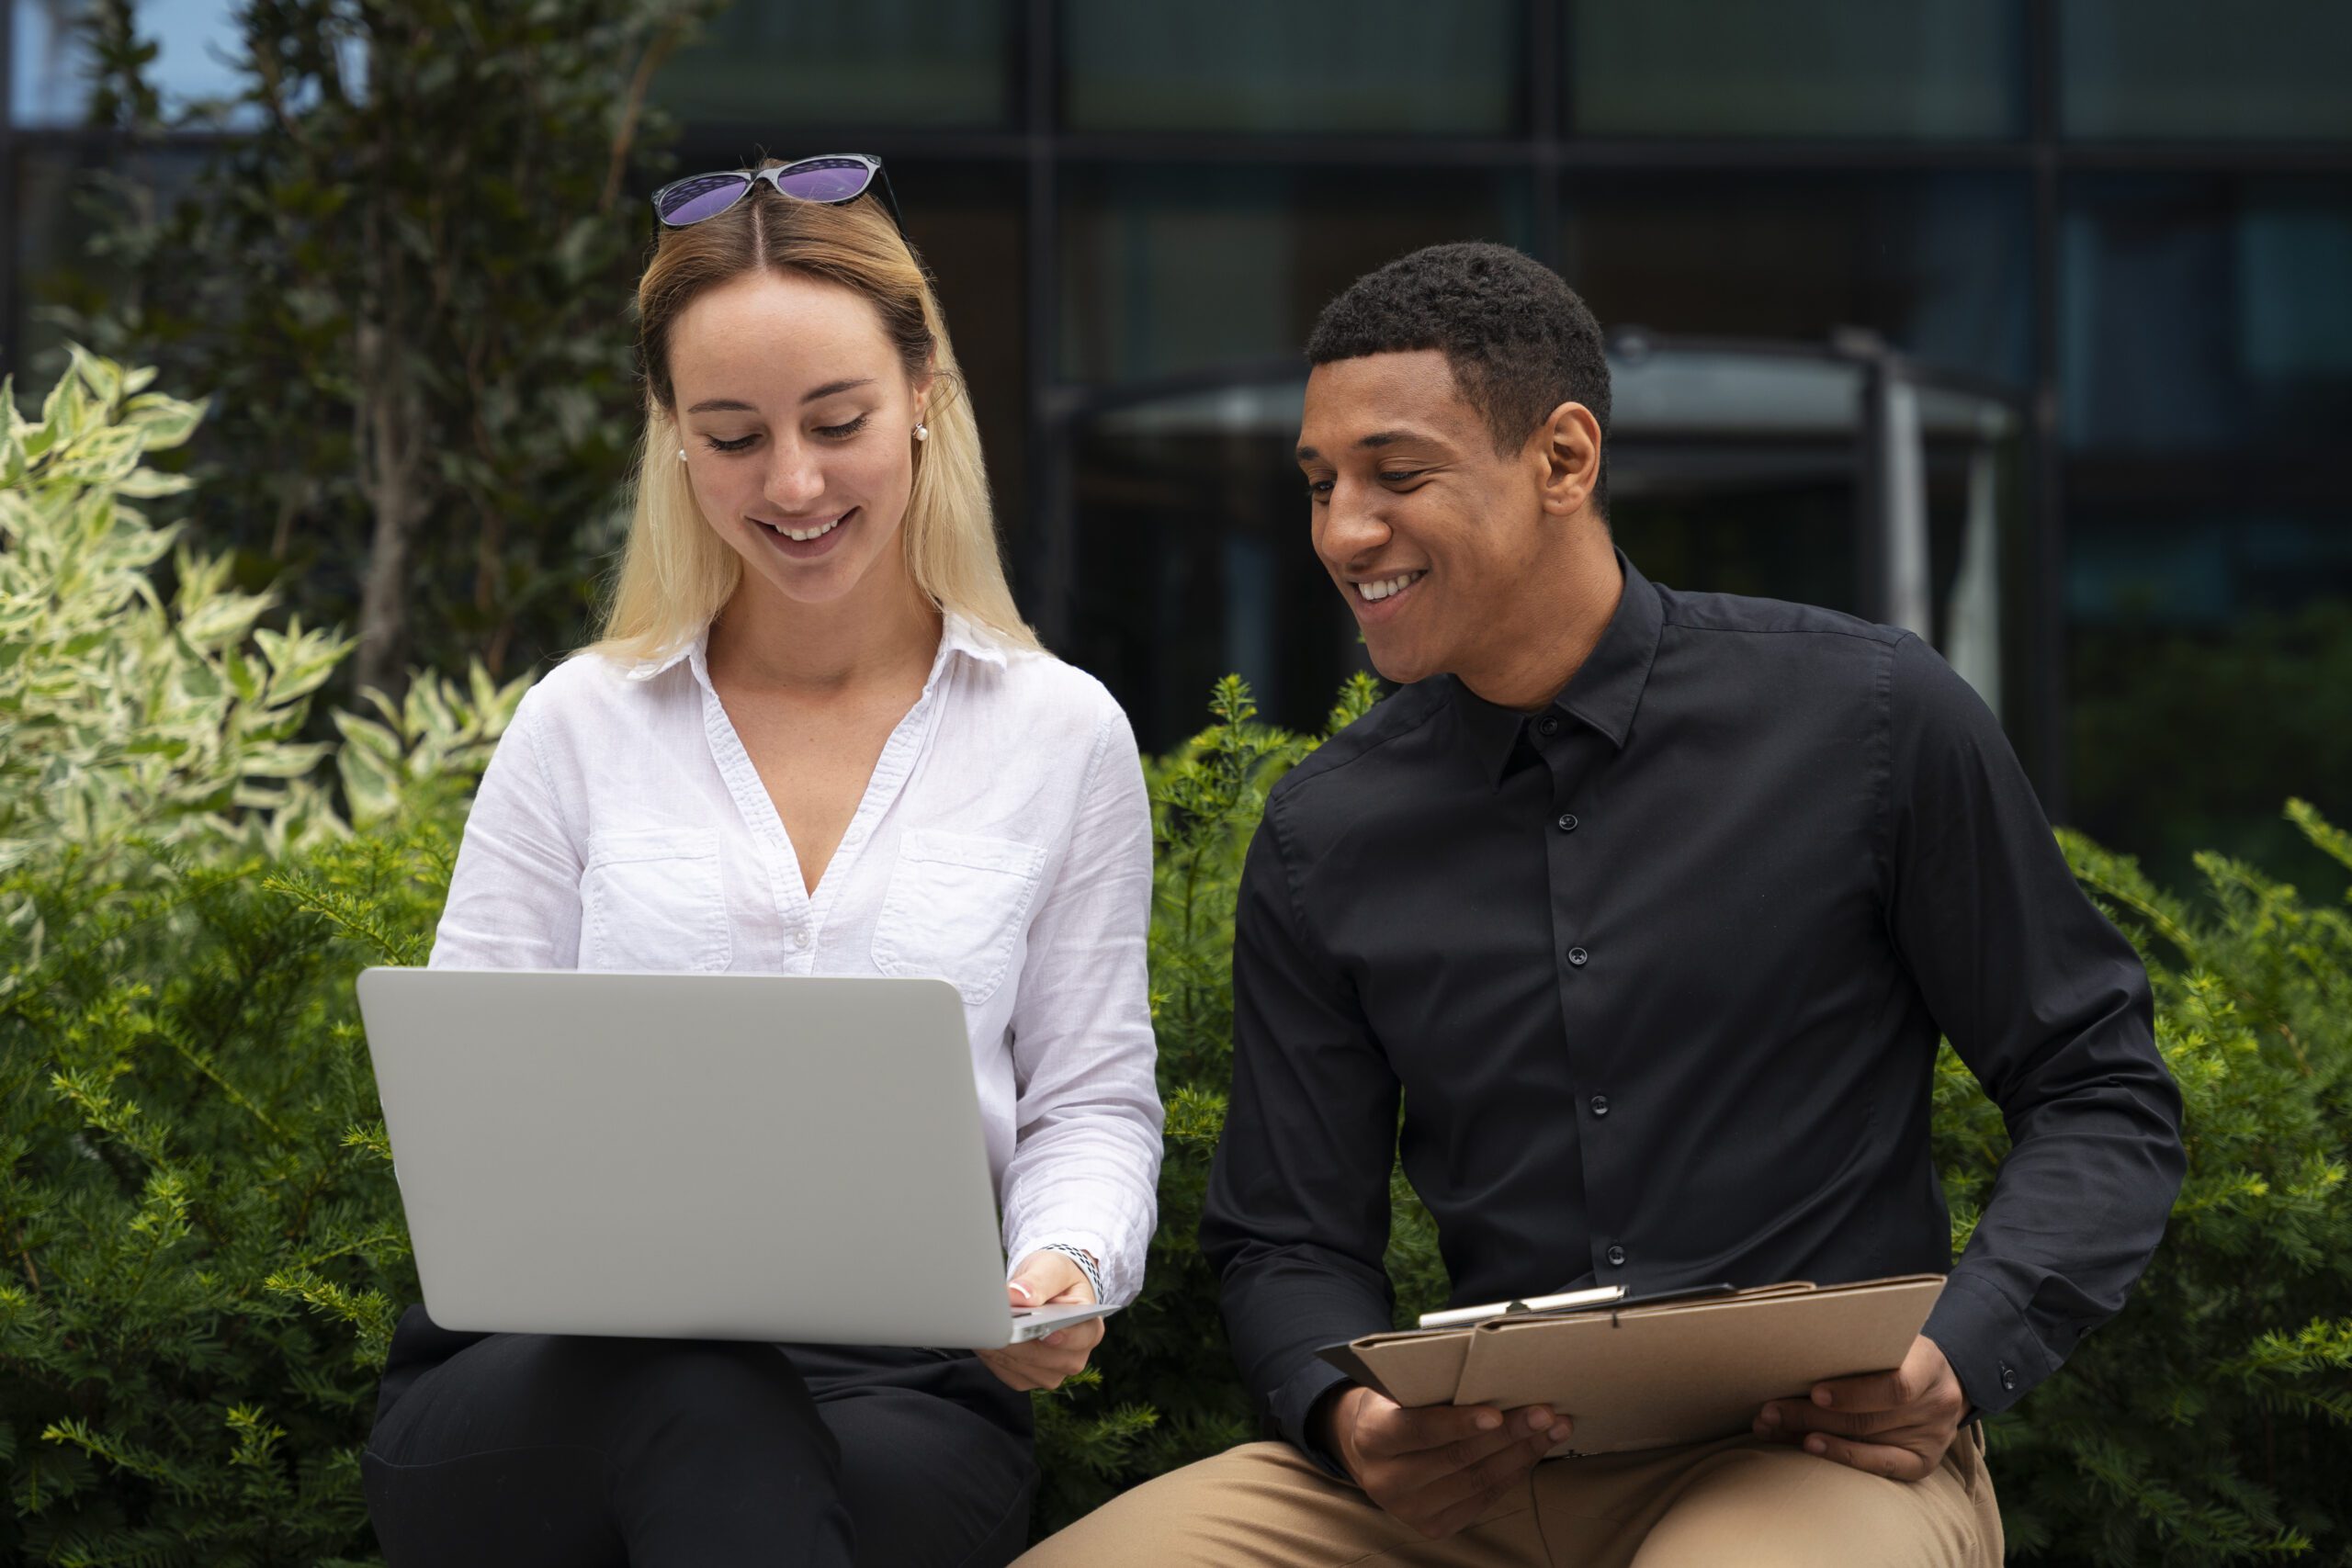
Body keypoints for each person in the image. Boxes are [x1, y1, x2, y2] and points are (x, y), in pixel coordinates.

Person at [1016, 243, 2184, 1567]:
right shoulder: (1324, 832)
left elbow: (2099, 1087)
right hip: (1468, 1486)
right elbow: (1286, 1238)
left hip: (1812, 1463)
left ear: (1564, 462)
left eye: (1398, 475)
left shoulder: (1871, 721)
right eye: (1321, 484)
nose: (1344, 529)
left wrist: (1960, 1353)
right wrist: (1350, 1421)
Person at [361, 155, 1162, 1568]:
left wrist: (1062, 1269)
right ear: (669, 431)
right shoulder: (579, 723)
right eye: (732, 435)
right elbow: (467, 1090)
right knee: (702, 1401)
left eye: (836, 420)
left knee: (762, 1468)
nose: (792, 484)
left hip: (904, 1398)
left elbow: (1090, 1101)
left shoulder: (1061, 735)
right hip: (553, 1382)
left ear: (925, 392)